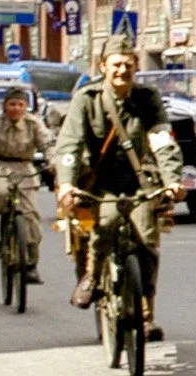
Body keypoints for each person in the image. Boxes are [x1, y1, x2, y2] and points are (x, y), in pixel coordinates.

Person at [52, 45, 184, 337]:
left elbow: (161, 139)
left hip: (139, 180)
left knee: (148, 240)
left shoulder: (146, 98)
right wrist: (66, 183)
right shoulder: (87, 99)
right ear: (103, 66)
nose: (122, 71)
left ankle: (147, 313)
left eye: (128, 65)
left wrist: (173, 179)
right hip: (101, 181)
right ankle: (93, 275)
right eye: (116, 65)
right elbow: (69, 145)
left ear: (136, 66)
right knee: (107, 224)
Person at [0, 86, 51, 282]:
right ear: (4, 106)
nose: (16, 109)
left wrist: (54, 162)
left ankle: (31, 264)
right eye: (12, 104)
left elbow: (48, 144)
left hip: (24, 168)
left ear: (26, 107)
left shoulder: (34, 123)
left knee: (31, 218)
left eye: (20, 104)